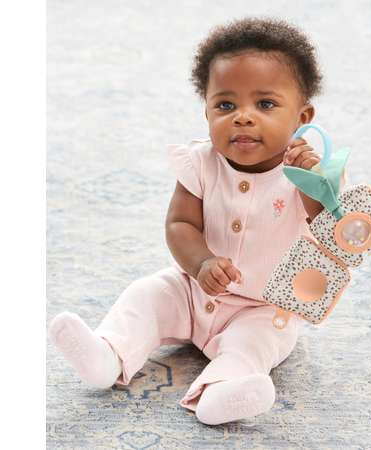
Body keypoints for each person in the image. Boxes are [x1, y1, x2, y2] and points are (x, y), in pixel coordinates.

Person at [48, 17, 340, 425]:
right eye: (226, 105)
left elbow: (335, 239)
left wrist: (314, 188)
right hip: (191, 288)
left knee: (254, 344)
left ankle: (221, 391)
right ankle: (108, 354)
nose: (243, 117)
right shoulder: (201, 161)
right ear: (206, 111)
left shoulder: (312, 175)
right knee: (147, 295)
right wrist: (201, 263)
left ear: (302, 115)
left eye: (265, 104)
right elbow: (180, 225)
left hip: (261, 307)